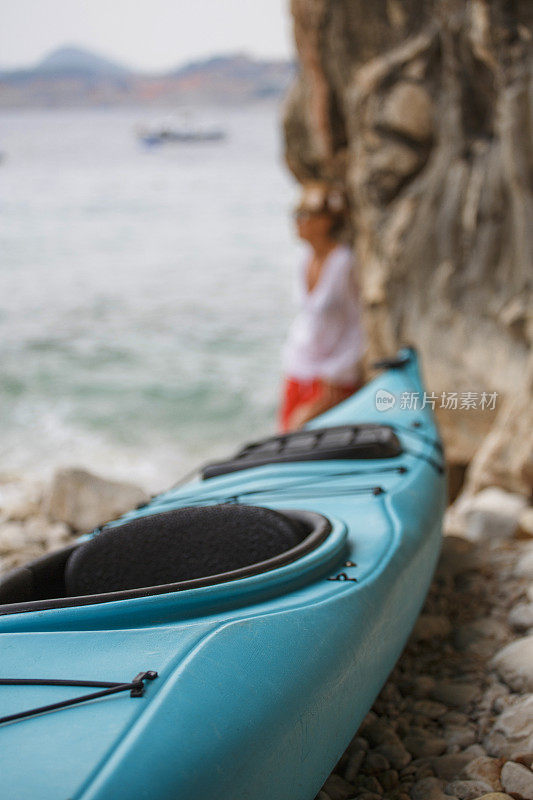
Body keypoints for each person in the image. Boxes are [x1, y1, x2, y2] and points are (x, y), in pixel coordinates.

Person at [279, 182, 365, 432]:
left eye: (303, 215)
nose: (297, 222)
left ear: (325, 220)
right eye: (296, 215)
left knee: (303, 438)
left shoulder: (344, 263)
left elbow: (359, 322)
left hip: (334, 374)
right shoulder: (304, 258)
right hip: (299, 365)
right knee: (284, 441)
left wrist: (339, 373)